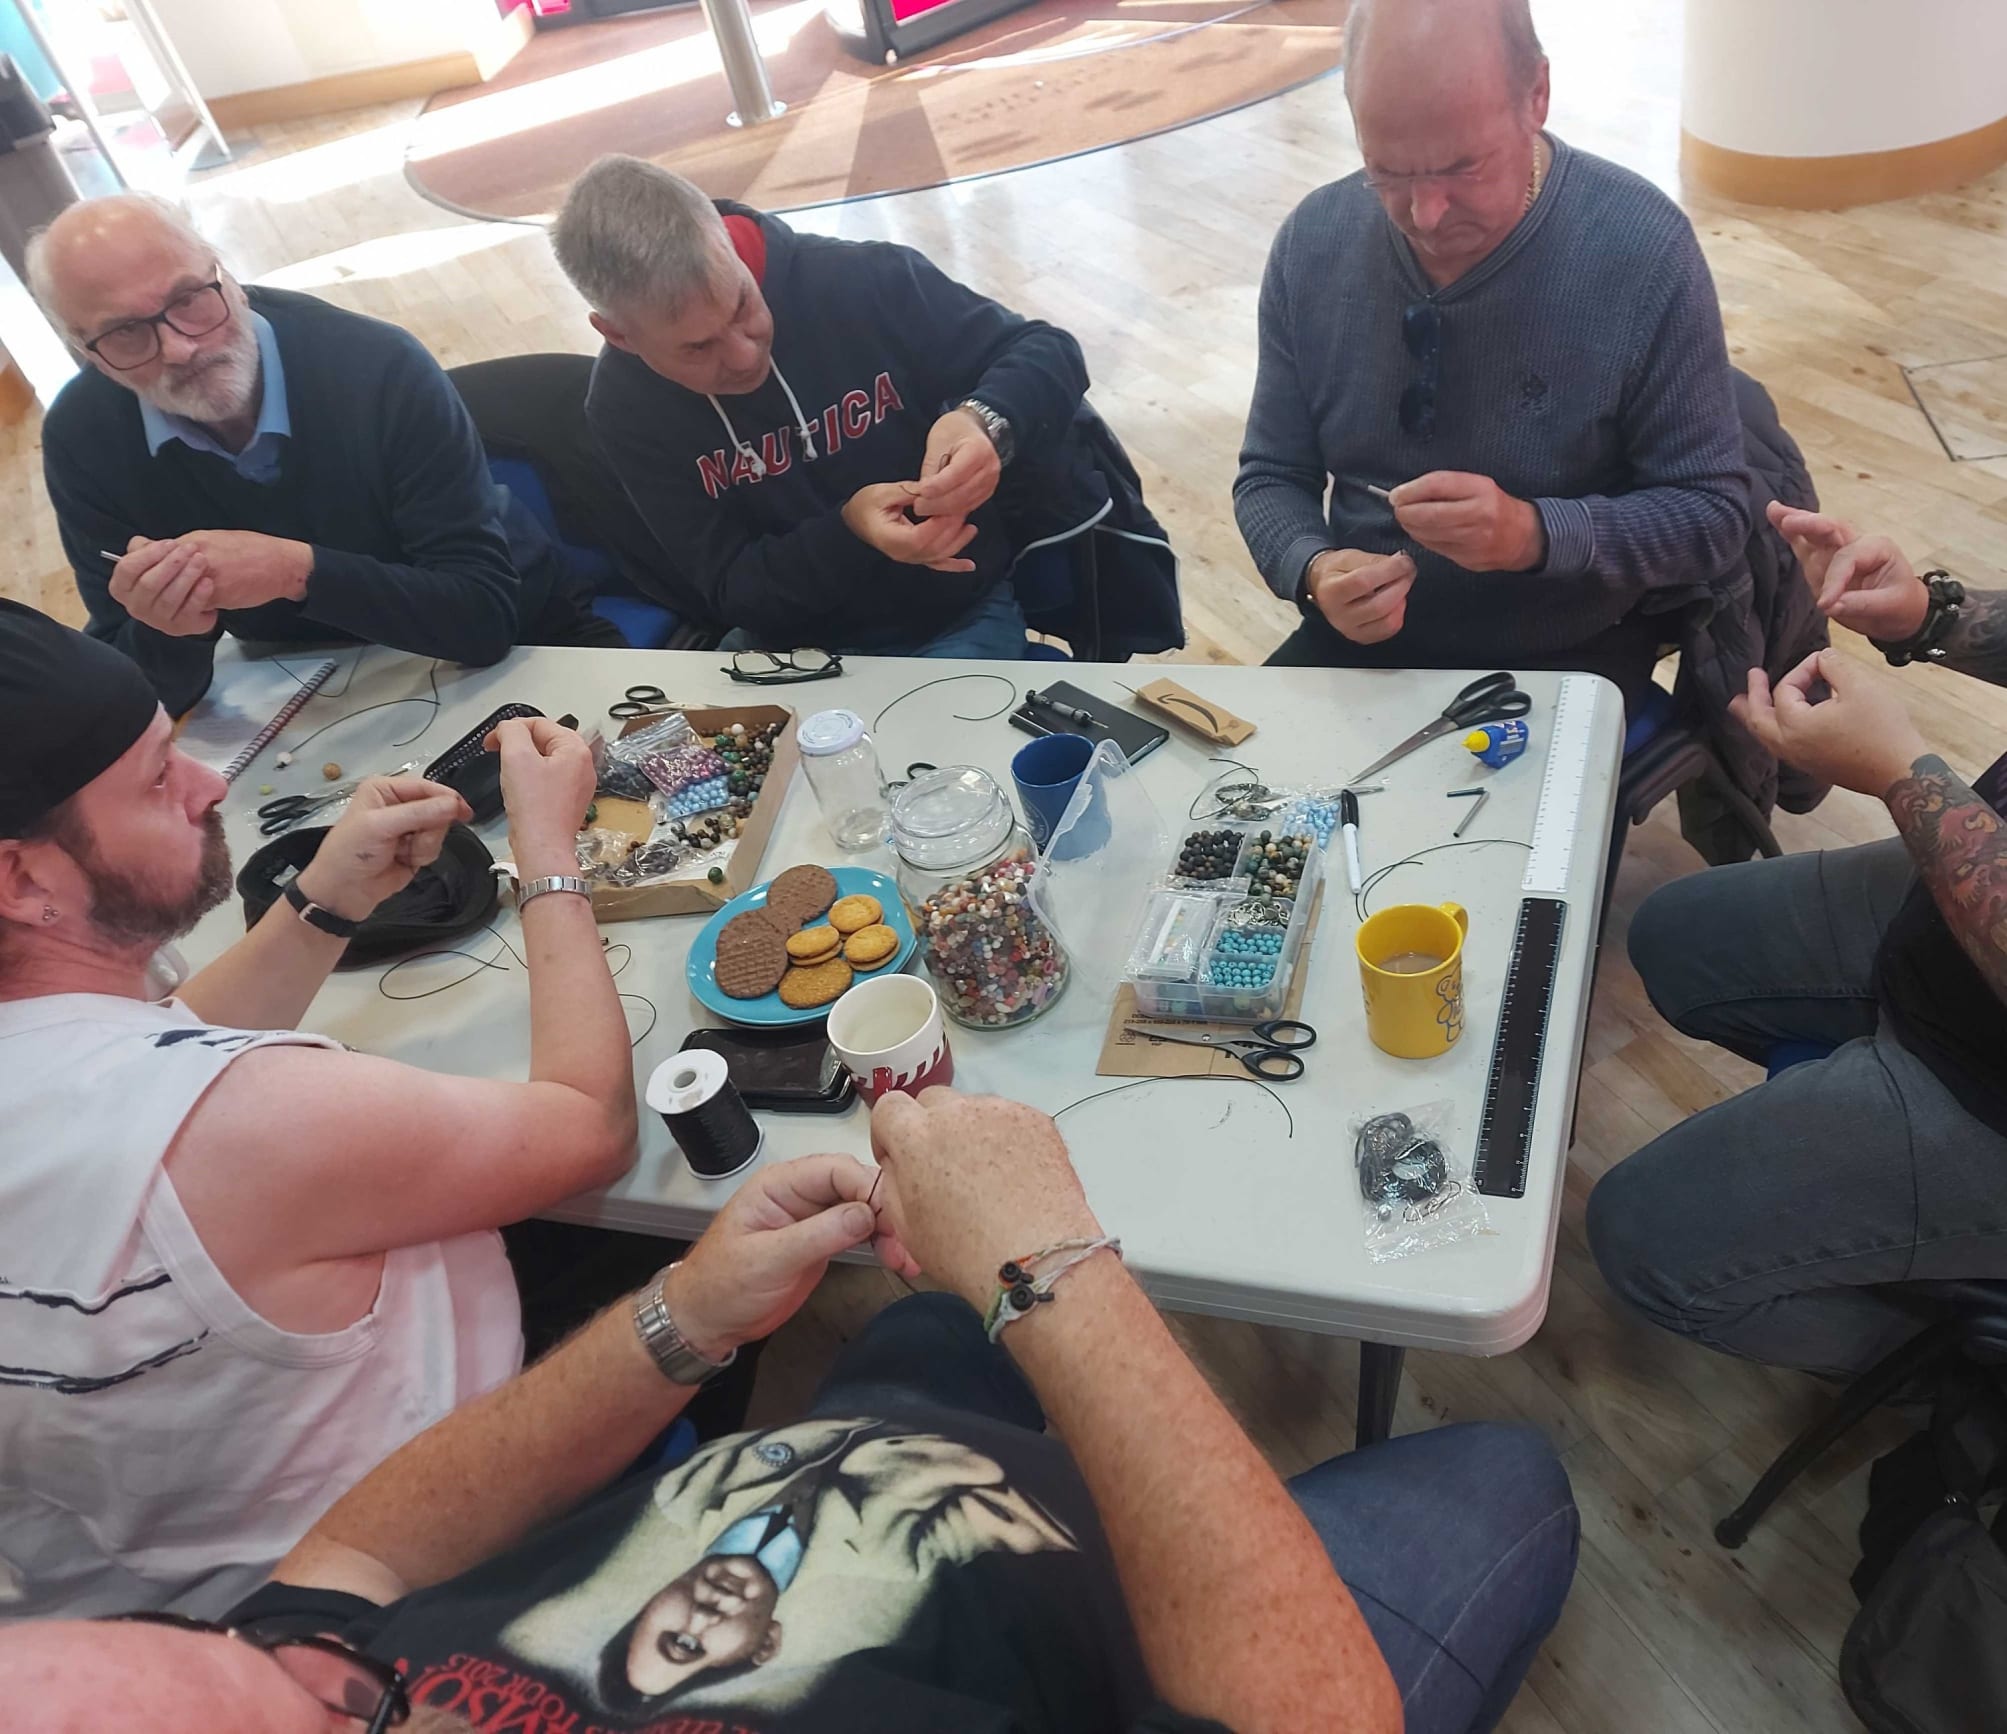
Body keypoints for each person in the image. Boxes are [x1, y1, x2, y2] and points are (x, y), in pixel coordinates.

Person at [0, 1089, 1582, 1734]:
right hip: (1195, 1641)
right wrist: (1047, 1266)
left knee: (911, 1322)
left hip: (882, 1455)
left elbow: (348, 1557)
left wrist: (685, 1314)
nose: (331, 1680)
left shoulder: (275, 1681)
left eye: (335, 1694)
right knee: (1510, 1471)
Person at [0, 601, 640, 1621]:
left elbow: (144, 1050)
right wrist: (547, 848)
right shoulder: (248, 1120)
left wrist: (322, 905)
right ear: (20, 876)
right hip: (411, 1584)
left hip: (143, 1582)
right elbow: (590, 1123)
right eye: (161, 778)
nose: (213, 786)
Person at [1589, 503, 2007, 1377]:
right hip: (1956, 915)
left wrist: (1903, 779)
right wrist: (1932, 617)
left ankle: (1942, 1383)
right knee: (1677, 935)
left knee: (1643, 1241)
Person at [1233, 0, 1749, 707]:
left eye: (1461, 168)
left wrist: (1534, 535)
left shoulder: (1641, 247)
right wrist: (1314, 568)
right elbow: (1269, 476)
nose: (1424, 215)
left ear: (1535, 95)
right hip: (1361, 644)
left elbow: (1712, 516)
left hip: (1569, 645)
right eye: (1385, 172)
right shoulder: (1312, 242)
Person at [550, 156, 1179, 661]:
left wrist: (984, 420)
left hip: (955, 612)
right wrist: (850, 533)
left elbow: (1048, 350)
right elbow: (730, 590)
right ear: (618, 335)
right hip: (788, 644)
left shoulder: (860, 280)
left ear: (729, 245)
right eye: (697, 347)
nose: (743, 355)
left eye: (742, 303)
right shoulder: (622, 409)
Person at [29, 193, 618, 717]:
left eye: (189, 298)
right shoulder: (84, 438)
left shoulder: (377, 367)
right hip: (303, 691)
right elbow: (133, 695)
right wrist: (168, 633)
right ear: (87, 351)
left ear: (225, 272)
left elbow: (484, 617)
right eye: (126, 333)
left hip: (518, 645)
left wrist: (293, 571)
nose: (181, 347)